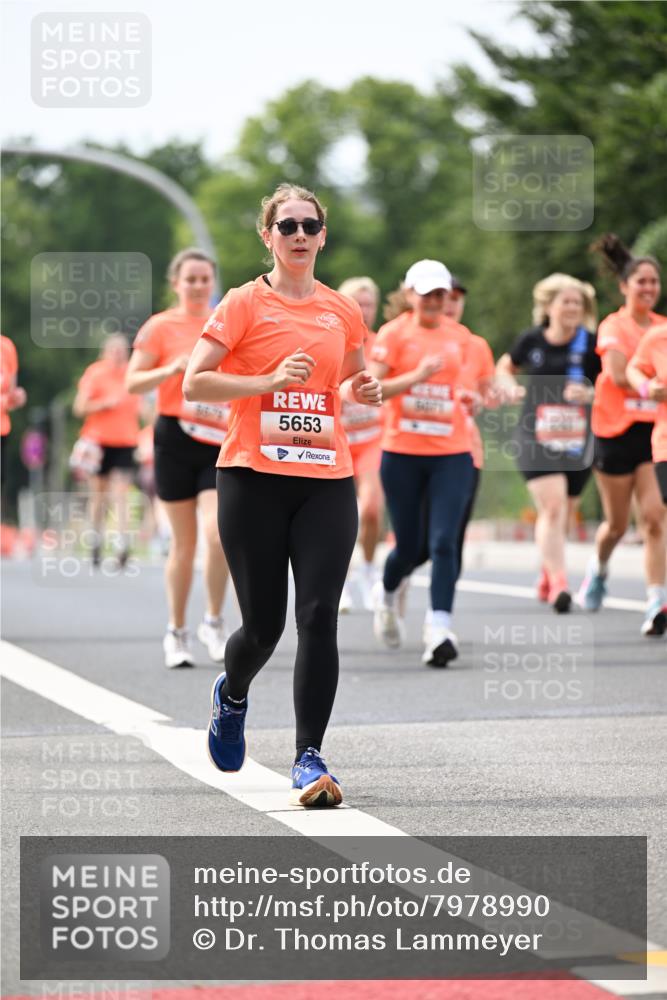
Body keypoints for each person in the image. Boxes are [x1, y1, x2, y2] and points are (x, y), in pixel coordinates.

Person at [183, 183, 381, 807]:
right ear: (267, 236)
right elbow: (195, 384)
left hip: (326, 477)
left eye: (310, 226)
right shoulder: (244, 302)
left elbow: (346, 378)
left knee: (320, 614)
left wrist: (360, 391)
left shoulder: (342, 309)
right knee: (263, 629)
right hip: (252, 477)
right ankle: (232, 693)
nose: (299, 235)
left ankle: (309, 757)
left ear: (324, 236)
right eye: (287, 225)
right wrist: (267, 379)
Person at [127, 249, 232, 669]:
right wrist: (171, 368)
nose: (198, 286)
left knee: (217, 533)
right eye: (190, 279)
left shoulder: (225, 321)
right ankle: (176, 631)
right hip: (173, 437)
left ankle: (214, 621)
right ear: (176, 283)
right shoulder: (160, 327)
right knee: (184, 545)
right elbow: (133, 382)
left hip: (217, 437)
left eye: (205, 278)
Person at [369, 259, 474, 666]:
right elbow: (373, 388)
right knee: (409, 544)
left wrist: (473, 397)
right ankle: (389, 590)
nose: (433, 301)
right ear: (409, 294)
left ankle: (439, 627)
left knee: (444, 541)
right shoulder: (393, 335)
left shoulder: (461, 337)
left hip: (452, 453)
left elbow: (466, 386)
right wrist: (415, 376)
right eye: (426, 293)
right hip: (403, 454)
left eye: (440, 294)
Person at [576, 235, 666, 636]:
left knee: (653, 519)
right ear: (624, 287)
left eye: (654, 282)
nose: (648, 288)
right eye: (640, 281)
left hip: (655, 434)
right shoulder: (614, 326)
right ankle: (598, 569)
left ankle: (655, 603)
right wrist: (650, 384)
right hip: (615, 430)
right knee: (615, 525)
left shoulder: (664, 329)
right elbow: (614, 375)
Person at [496, 274, 600, 612]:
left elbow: (613, 387)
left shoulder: (592, 345)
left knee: (564, 512)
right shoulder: (532, 341)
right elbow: (504, 366)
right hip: (534, 435)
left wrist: (591, 392)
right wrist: (509, 385)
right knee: (553, 507)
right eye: (566, 301)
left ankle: (546, 570)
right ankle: (559, 584)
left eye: (578, 303)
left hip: (577, 440)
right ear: (548, 306)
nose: (572, 308)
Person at [73, 334, 141, 567]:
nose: (118, 355)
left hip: (126, 441)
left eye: (122, 351)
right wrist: (103, 404)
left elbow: (144, 407)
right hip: (98, 442)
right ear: (105, 352)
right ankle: (95, 540)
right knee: (99, 495)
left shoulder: (133, 374)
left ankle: (122, 544)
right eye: (113, 351)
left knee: (121, 494)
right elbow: (79, 408)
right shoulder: (95, 373)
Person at [337, 276, 384, 612]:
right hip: (334, 438)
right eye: (356, 303)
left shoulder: (383, 343)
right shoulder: (329, 339)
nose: (363, 310)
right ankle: (339, 580)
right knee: (338, 516)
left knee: (370, 509)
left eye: (368, 303)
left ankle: (368, 570)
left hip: (371, 438)